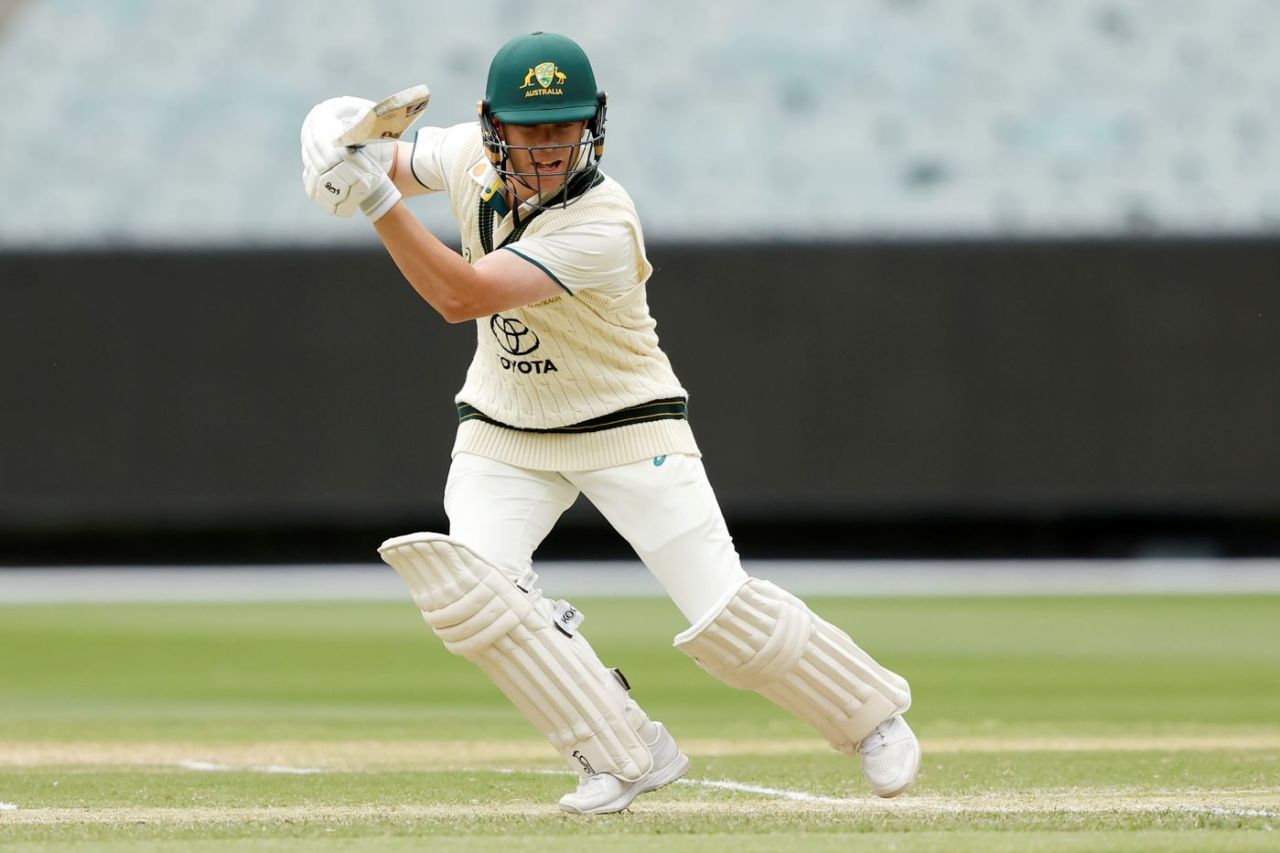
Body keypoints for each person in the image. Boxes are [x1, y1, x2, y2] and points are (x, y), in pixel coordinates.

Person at [300, 31, 920, 815]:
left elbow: (459, 295)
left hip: (626, 421)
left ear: (592, 124)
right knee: (477, 598)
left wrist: (375, 201)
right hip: (507, 426)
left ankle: (871, 716)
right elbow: (381, 159)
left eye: (564, 126)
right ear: (494, 127)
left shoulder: (604, 222)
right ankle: (624, 751)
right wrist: (336, 138)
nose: (550, 147)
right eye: (531, 129)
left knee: (729, 620)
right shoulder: (461, 153)